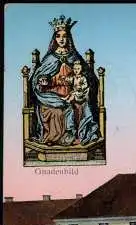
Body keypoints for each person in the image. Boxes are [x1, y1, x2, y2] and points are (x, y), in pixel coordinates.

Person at [31, 15, 100, 146]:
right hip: (51, 94)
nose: (62, 39)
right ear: (55, 38)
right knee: (54, 111)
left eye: (64, 36)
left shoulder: (73, 56)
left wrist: (78, 87)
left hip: (73, 92)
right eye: (58, 36)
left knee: (81, 106)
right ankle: (52, 138)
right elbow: (37, 78)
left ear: (69, 38)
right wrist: (42, 81)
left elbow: (88, 76)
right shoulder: (50, 57)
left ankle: (74, 137)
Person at [63, 60, 89, 144]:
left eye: (78, 69)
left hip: (81, 94)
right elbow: (69, 80)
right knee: (71, 94)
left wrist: (80, 88)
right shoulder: (74, 77)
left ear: (81, 69)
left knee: (73, 94)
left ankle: (68, 100)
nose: (76, 70)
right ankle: (67, 99)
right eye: (74, 69)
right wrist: (64, 78)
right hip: (75, 93)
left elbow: (85, 86)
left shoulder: (83, 78)